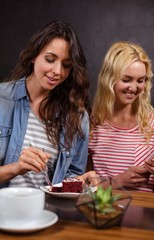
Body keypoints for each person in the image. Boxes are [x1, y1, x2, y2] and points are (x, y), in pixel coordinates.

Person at [0, 20, 91, 188]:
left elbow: (72, 176)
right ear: (34, 56)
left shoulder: (78, 117)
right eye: (50, 59)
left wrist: (81, 182)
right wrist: (16, 168)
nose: (57, 71)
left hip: (47, 211)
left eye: (66, 65)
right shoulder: (2, 99)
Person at [89, 41, 154, 192]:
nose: (134, 88)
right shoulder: (91, 126)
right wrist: (117, 181)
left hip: (147, 213)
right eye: (126, 80)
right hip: (105, 212)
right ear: (108, 79)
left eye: (140, 80)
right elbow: (83, 189)